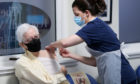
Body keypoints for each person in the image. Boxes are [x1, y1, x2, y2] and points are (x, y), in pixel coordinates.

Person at [46, 0, 137, 84]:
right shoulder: (97, 25)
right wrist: (71, 55)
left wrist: (51, 46)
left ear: (86, 13)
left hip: (123, 77)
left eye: (77, 14)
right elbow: (94, 62)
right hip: (118, 74)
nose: (75, 18)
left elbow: (64, 43)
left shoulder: (93, 27)